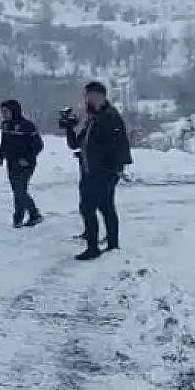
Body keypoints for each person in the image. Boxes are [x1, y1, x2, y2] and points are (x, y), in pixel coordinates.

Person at [66, 81, 133, 261]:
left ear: (103, 96)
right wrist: (69, 128)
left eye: (93, 95)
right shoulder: (93, 117)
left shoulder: (110, 117)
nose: (89, 99)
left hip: (103, 172)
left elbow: (119, 146)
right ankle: (110, 241)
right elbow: (77, 144)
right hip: (90, 170)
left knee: (88, 208)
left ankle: (94, 247)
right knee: (105, 207)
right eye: (87, 95)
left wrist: (115, 169)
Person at [0, 99, 44, 228]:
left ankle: (19, 218)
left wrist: (27, 159)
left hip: (26, 164)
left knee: (20, 189)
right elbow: (4, 141)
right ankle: (34, 214)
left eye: (6, 111)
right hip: (11, 162)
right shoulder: (5, 125)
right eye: (2, 112)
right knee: (18, 190)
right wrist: (1, 155)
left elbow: (38, 145)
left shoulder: (27, 126)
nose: (4, 114)